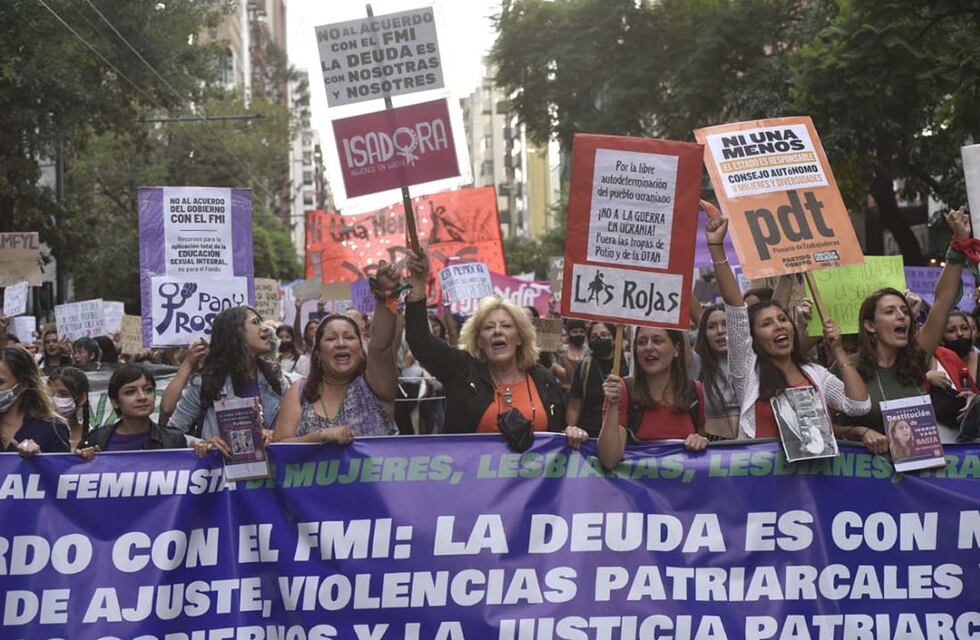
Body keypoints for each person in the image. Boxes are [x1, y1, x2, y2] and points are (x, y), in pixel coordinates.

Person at [705, 210, 871, 442]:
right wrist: (716, 247)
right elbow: (736, 309)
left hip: (812, 475)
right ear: (752, 336)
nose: (778, 326)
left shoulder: (815, 373)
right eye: (767, 323)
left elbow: (858, 405)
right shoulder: (748, 372)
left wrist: (838, 350)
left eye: (783, 319)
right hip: (765, 476)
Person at [405, 249, 574, 446]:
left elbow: (559, 434)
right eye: (488, 327)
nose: (497, 332)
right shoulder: (462, 371)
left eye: (506, 326)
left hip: (535, 476)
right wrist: (418, 282)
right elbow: (420, 341)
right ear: (478, 340)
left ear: (520, 337)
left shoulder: (543, 379)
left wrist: (571, 432)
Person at [837, 208, 971, 446]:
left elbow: (942, 302)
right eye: (890, 312)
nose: (902, 317)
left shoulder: (916, 358)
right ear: (870, 325)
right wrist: (860, 432)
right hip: (865, 478)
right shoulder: (848, 367)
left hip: (916, 478)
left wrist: (959, 245)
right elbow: (820, 424)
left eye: (903, 311)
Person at [273, 263, 400, 443]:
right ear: (317, 353)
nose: (341, 343)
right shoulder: (300, 392)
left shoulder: (375, 387)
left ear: (361, 350)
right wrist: (320, 436)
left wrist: (387, 295)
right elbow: (279, 447)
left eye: (349, 337)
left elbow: (381, 346)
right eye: (331, 338)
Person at [167, 306, 287, 443]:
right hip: (217, 464)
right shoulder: (205, 383)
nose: (265, 328)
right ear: (235, 332)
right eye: (255, 322)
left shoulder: (276, 381)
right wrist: (202, 444)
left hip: (269, 464)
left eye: (261, 322)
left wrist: (274, 436)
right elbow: (173, 433)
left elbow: (296, 430)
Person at [597, 327, 710, 470]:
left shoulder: (695, 390)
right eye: (642, 342)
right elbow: (609, 460)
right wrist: (612, 405)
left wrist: (700, 441)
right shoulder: (621, 390)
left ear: (676, 349)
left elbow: (705, 449)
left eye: (657, 341)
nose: (648, 347)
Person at [77, 364, 186, 454]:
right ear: (115, 402)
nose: (142, 397)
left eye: (148, 390)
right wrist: (85, 462)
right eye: (130, 392)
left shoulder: (173, 440)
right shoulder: (97, 439)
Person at [0, 346, 70, 456]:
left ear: (23, 384)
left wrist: (40, 459)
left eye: (0, 382)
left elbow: (60, 470)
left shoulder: (53, 427)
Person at [566, 322, 628, 437]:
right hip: (589, 434)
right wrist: (571, 429)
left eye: (604, 335)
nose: (599, 339)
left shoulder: (628, 364)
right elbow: (574, 405)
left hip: (623, 434)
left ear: (615, 339)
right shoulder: (584, 366)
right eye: (594, 337)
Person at [694, 304, 740, 440]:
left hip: (754, 445)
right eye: (711, 327)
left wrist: (786, 281)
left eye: (726, 324)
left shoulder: (752, 361)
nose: (720, 331)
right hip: (713, 446)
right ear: (704, 334)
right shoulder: (697, 364)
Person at [48, 367, 91, 450]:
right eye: (50, 394)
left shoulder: (96, 437)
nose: (54, 400)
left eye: (64, 394)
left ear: (82, 398)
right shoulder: (38, 435)